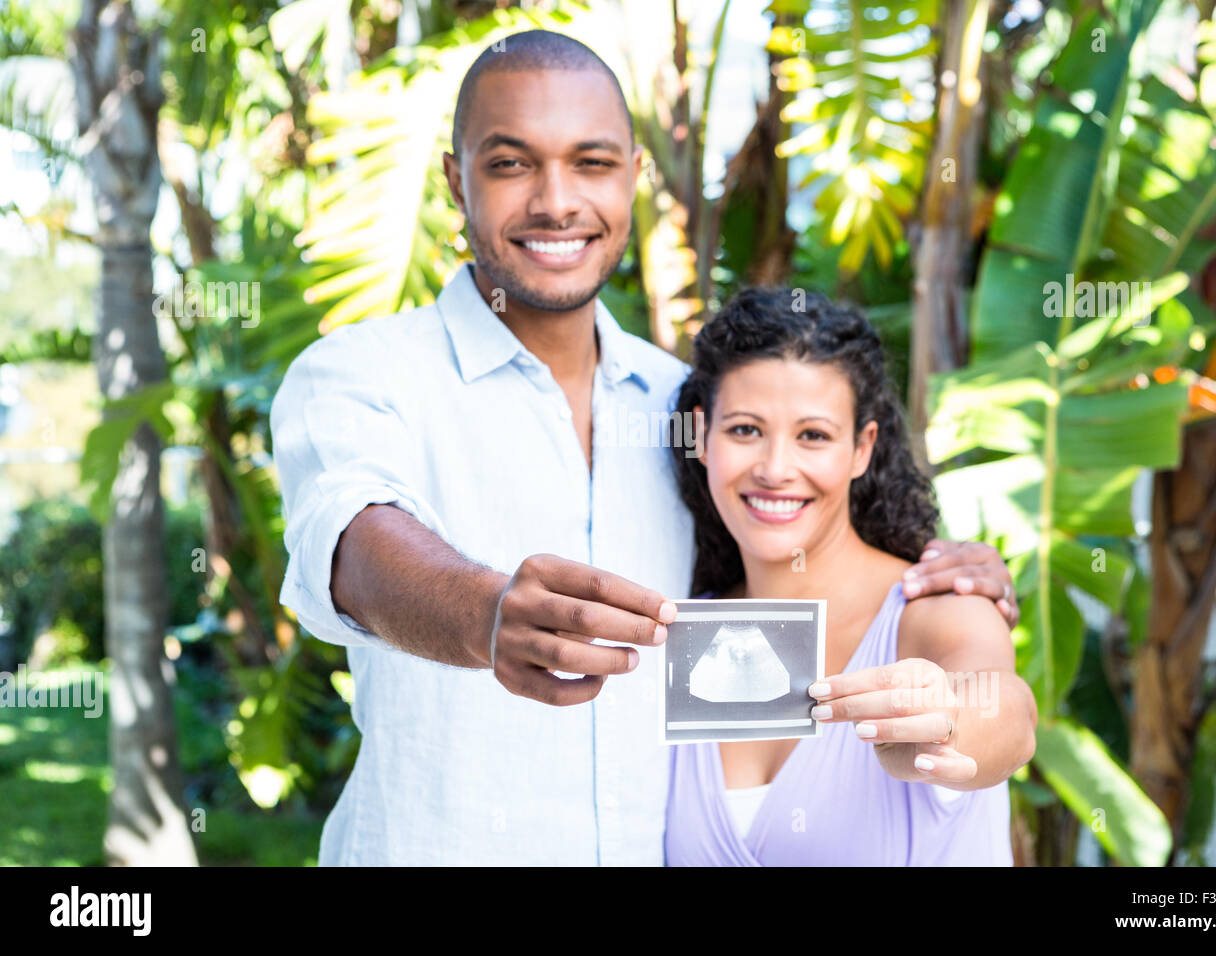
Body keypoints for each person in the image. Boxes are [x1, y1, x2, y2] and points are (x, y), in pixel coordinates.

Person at [270, 29, 1021, 866]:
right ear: (456, 178)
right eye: (511, 163)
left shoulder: (689, 412)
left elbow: (833, 599)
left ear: (633, 173)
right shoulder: (361, 375)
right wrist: (488, 616)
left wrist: (955, 594)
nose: (556, 201)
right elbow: (354, 548)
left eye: (590, 163)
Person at [664, 288, 1037, 865]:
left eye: (812, 435)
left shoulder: (938, 607)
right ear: (702, 437)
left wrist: (947, 722)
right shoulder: (686, 630)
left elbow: (1006, 710)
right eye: (744, 430)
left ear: (862, 448)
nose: (774, 469)